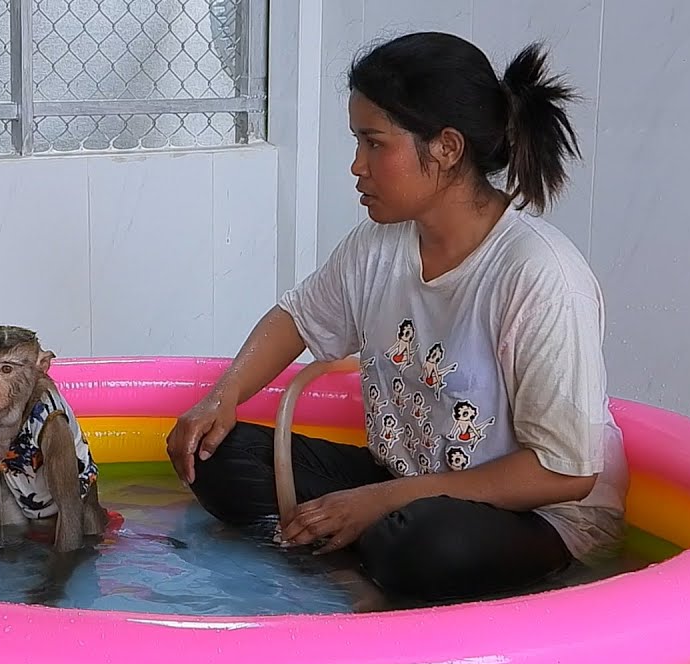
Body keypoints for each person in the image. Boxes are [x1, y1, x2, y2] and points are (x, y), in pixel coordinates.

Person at [165, 31, 628, 603]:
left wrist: (380, 503)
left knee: (422, 547)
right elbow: (298, 318)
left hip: (539, 516)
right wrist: (223, 395)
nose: (356, 166)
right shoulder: (379, 246)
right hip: (406, 484)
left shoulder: (540, 275)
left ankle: (370, 546)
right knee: (218, 455)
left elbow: (568, 473)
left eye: (374, 143)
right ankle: (369, 545)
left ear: (446, 149)